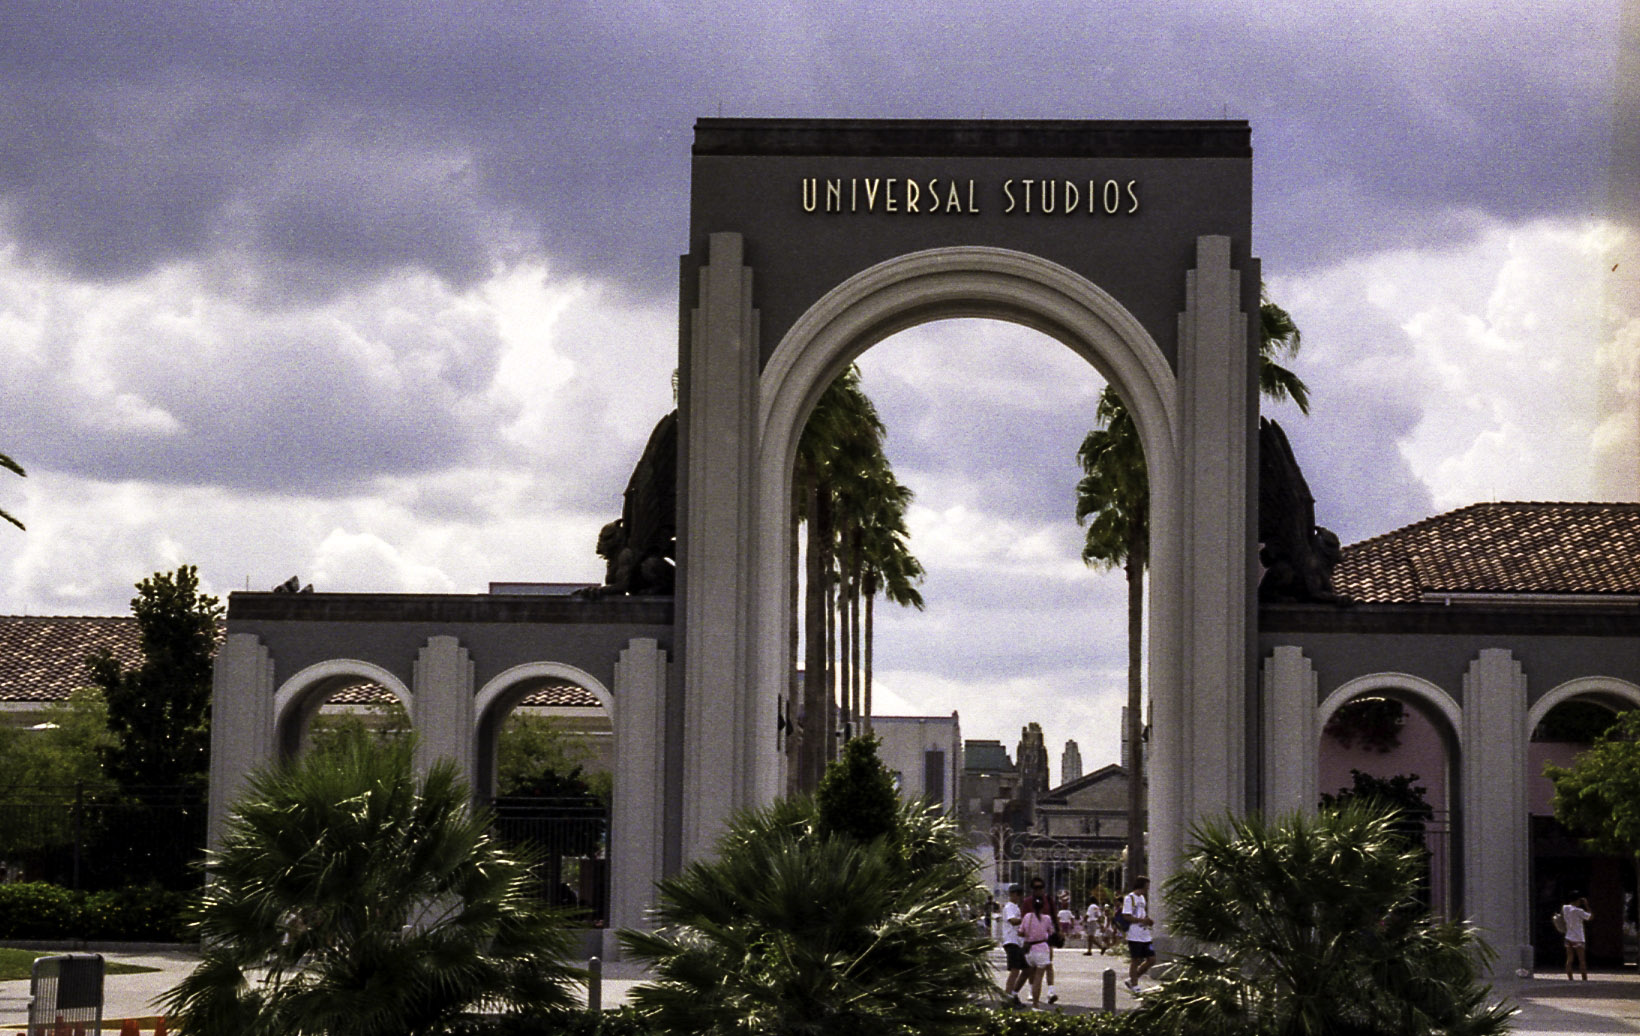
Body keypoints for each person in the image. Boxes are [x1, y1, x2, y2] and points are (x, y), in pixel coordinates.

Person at [1018, 885, 1058, 1008]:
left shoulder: (1027, 917)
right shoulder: (1046, 918)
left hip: (1029, 949)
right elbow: (1051, 932)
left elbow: (1020, 932)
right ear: (1043, 907)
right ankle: (1036, 1003)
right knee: (1039, 977)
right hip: (1042, 947)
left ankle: (1014, 993)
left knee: (1027, 973)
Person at [1120, 875, 1157, 993]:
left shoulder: (1142, 898)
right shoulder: (1129, 898)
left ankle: (1133, 978)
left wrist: (1147, 920)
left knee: (1151, 959)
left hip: (1145, 934)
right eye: (1147, 885)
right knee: (1135, 959)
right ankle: (1134, 984)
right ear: (1142, 885)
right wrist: (1142, 920)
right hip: (1134, 934)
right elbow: (1126, 916)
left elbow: (1141, 913)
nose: (1148, 888)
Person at [1000, 883, 1028, 1006]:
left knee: (1026, 969)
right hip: (1011, 941)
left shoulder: (1016, 907)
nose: (1017, 896)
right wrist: (1027, 920)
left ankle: (1013, 993)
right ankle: (1007, 997)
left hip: (1018, 942)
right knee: (1015, 970)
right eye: (1015, 894)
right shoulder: (1009, 907)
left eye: (1019, 894)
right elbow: (1013, 921)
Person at [1563, 892, 1593, 981]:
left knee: (1569, 959)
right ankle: (1584, 978)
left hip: (1568, 936)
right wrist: (1587, 905)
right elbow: (1590, 917)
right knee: (1581, 960)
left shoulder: (1565, 908)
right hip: (1578, 938)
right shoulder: (1579, 911)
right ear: (1577, 900)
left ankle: (1570, 978)